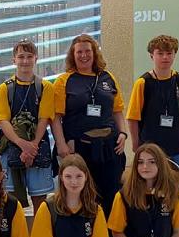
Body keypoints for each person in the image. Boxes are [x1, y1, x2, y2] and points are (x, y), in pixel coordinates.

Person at [125, 34, 179, 237]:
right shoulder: (143, 83)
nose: (165, 57)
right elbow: (133, 117)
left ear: (175, 55)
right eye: (160, 53)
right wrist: (136, 146)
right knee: (152, 196)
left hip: (177, 148)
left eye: (169, 53)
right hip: (151, 151)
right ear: (151, 56)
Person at [52, 33, 128, 206]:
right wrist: (61, 144)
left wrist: (123, 133)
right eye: (79, 52)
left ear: (94, 53)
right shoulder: (64, 80)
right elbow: (55, 117)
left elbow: (117, 110)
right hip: (79, 148)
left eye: (87, 51)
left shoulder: (108, 77)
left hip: (110, 147)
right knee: (83, 197)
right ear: (73, 55)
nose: (84, 55)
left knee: (112, 196)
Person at [0, 39, 56, 212]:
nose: (25, 61)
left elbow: (44, 119)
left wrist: (32, 146)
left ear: (36, 58)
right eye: (21, 57)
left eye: (29, 56)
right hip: (11, 149)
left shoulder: (45, 87)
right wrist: (22, 144)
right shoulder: (5, 88)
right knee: (12, 202)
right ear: (14, 60)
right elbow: (3, 121)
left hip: (38, 148)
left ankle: (39, 230)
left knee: (40, 202)